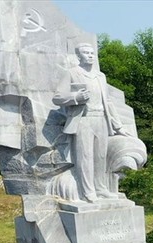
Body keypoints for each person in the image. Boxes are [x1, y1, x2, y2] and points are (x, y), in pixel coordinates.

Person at [52, 43, 129, 203]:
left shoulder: (100, 76)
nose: (90, 56)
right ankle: (88, 192)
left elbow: (107, 101)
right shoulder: (72, 73)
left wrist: (118, 126)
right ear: (79, 56)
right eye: (86, 53)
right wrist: (75, 98)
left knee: (100, 156)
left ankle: (101, 189)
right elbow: (57, 97)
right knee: (85, 157)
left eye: (92, 53)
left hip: (101, 120)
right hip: (84, 120)